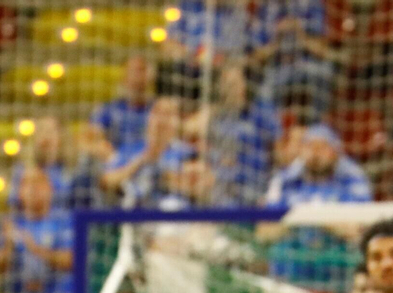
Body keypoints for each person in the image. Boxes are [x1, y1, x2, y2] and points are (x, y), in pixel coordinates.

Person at [262, 125, 374, 290]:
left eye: (322, 147)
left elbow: (357, 231)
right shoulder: (285, 180)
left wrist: (317, 217)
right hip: (292, 269)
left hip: (336, 271)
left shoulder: (353, 179)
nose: (315, 153)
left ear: (335, 151)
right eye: (310, 146)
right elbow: (264, 232)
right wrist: (300, 217)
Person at [248, 0, 339, 121]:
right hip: (276, 69)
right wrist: (277, 39)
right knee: (263, 94)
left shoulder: (312, 4)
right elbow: (256, 56)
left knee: (326, 72)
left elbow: (323, 51)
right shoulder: (265, 7)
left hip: (308, 64)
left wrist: (299, 33)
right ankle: (276, 134)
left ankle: (318, 127)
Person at [206, 66, 282, 206]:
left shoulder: (260, 113)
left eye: (236, 83)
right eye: (228, 84)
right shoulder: (216, 118)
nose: (232, 89)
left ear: (243, 85)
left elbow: (277, 151)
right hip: (223, 190)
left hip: (255, 187)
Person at [100, 97, 191, 208]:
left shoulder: (187, 152)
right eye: (157, 112)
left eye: (168, 114)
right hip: (134, 213)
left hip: (175, 214)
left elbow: (199, 185)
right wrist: (141, 161)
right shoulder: (128, 150)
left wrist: (163, 172)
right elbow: (107, 181)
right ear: (148, 118)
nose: (161, 119)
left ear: (178, 122)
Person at [89, 57, 156, 156]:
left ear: (150, 77)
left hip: (153, 163)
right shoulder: (108, 110)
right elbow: (91, 137)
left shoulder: (159, 109)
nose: (136, 77)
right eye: (132, 71)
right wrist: (113, 158)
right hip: (119, 166)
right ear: (123, 78)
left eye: (141, 70)